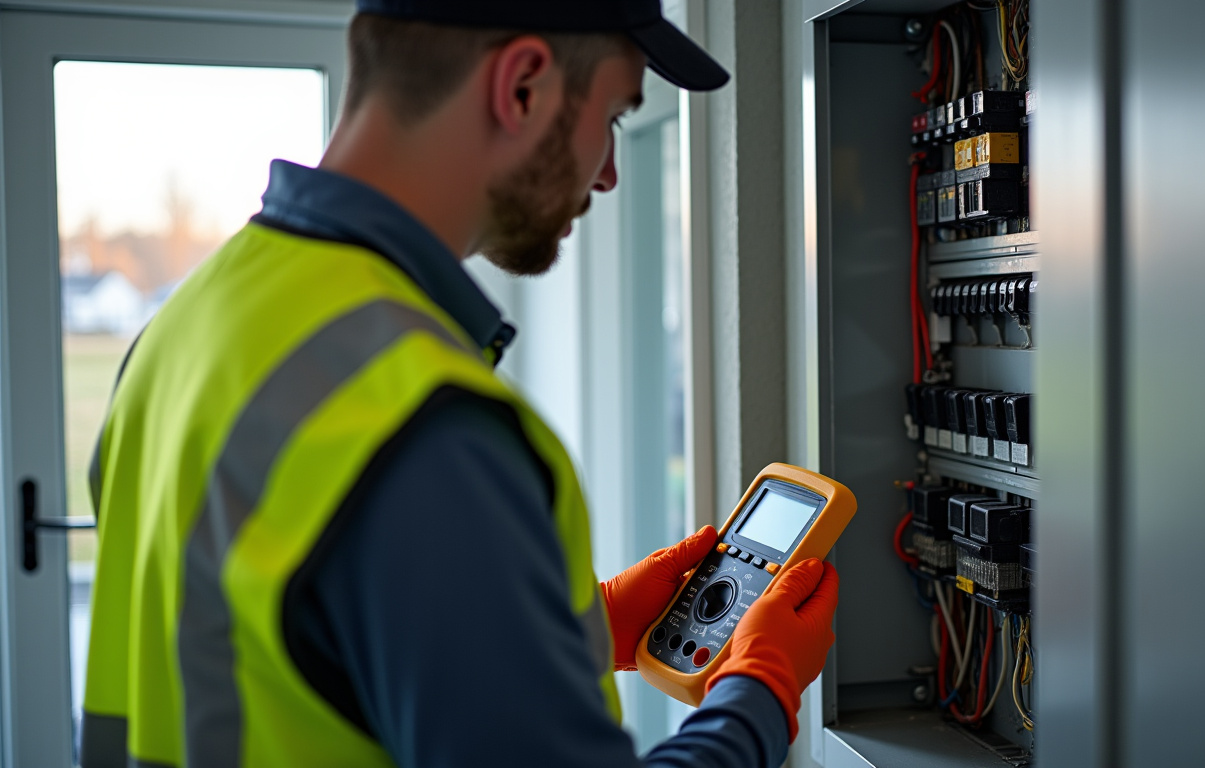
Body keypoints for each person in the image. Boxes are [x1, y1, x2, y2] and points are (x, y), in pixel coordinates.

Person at [79, 1, 841, 766]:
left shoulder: (180, 332)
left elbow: (266, 653)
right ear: (522, 87)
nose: (610, 172)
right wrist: (760, 691)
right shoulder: (423, 423)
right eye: (612, 115)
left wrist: (570, 633)